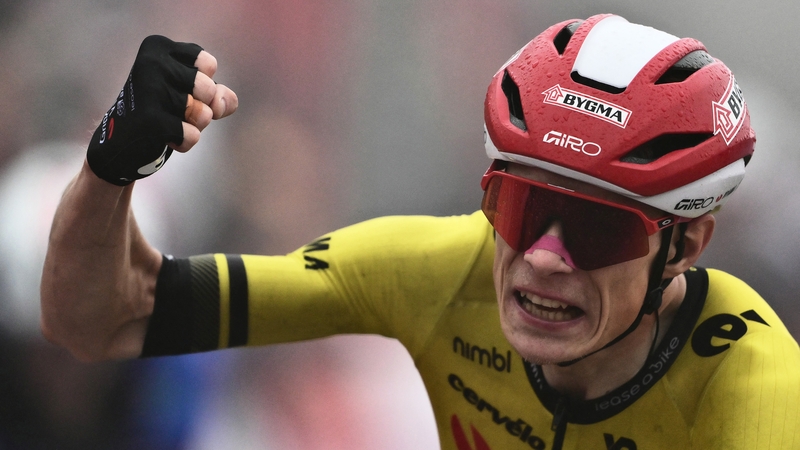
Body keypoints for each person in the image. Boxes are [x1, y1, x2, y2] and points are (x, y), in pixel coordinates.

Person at [40, 14, 799, 450]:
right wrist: (109, 169)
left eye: (598, 231)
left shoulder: (752, 382)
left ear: (685, 247)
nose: (543, 256)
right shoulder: (441, 270)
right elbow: (102, 320)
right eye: (521, 207)